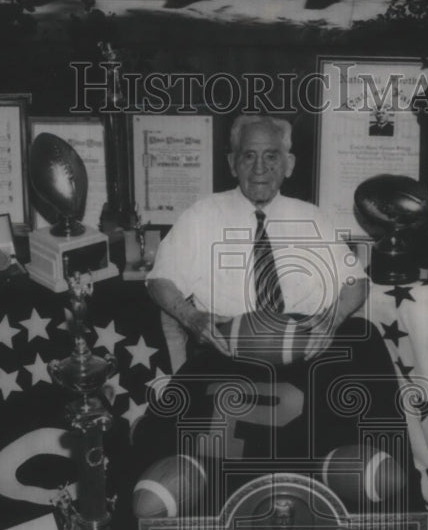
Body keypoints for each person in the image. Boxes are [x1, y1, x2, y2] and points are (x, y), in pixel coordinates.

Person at [147, 114, 368, 361]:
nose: (259, 168)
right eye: (249, 156)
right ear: (233, 163)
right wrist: (191, 317)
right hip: (227, 354)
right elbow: (159, 280)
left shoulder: (313, 218)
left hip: (305, 353)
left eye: (271, 156)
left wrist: (331, 320)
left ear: (289, 164)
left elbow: (356, 282)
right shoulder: (201, 215)